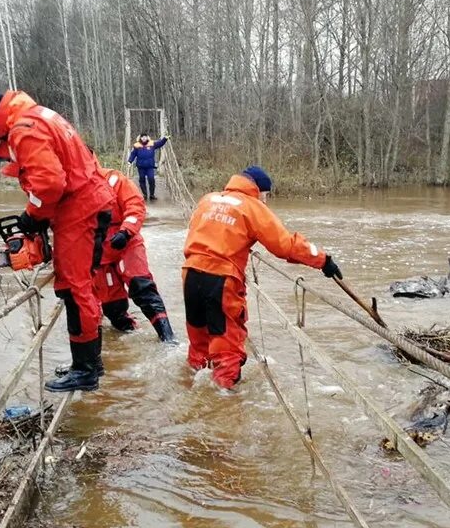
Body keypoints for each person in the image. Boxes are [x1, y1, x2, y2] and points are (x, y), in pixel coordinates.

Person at [0, 89, 114, 393]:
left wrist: (32, 217)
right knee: (80, 287)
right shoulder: (39, 115)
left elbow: (49, 183)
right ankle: (89, 363)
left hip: (79, 210)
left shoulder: (24, 129)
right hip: (86, 203)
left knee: (76, 290)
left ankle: (86, 370)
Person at [182, 166, 343, 389]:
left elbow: (200, 233)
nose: (266, 202)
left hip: (190, 274)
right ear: (258, 190)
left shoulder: (208, 200)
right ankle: (224, 407)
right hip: (221, 280)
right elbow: (285, 245)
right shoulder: (252, 207)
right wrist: (323, 260)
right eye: (266, 196)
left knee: (199, 342)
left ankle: (191, 389)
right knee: (227, 348)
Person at [94, 165, 176, 342]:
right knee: (112, 306)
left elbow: (135, 205)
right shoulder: (72, 186)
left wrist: (126, 231)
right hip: (99, 251)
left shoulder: (115, 179)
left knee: (142, 287)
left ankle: (168, 339)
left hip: (126, 241)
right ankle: (129, 335)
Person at [127, 132, 168, 201]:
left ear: (147, 137)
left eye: (145, 137)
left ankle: (152, 195)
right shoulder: (137, 146)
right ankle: (145, 194)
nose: (144, 138)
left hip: (150, 166)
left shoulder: (152, 144)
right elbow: (133, 154)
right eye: (142, 137)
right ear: (140, 138)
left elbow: (160, 143)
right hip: (141, 166)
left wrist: (165, 139)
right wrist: (130, 161)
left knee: (151, 179)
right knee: (142, 179)